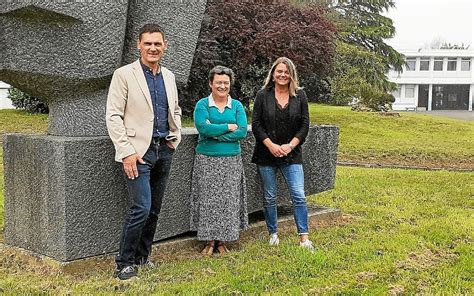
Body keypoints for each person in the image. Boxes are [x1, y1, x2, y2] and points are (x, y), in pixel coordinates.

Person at [106, 23, 182, 280]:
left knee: (155, 209)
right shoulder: (124, 74)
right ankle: (124, 263)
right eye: (148, 43)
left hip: (164, 150)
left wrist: (175, 137)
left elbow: (176, 110)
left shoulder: (169, 77)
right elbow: (113, 115)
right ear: (138, 45)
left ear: (165, 46)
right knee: (141, 207)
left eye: (157, 43)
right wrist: (126, 151)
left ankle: (142, 257)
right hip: (137, 153)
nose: (153, 48)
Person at [251, 57, 314, 250]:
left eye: (286, 72)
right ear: (273, 73)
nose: (283, 75)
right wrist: (270, 145)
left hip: (292, 154)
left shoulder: (300, 96)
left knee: (298, 194)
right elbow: (256, 124)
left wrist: (291, 145)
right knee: (270, 196)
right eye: (279, 71)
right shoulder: (263, 95)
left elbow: (304, 124)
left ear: (292, 74)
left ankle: (304, 238)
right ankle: (273, 234)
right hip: (266, 153)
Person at [190, 65, 248, 255]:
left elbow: (241, 131)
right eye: (218, 82)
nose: (222, 86)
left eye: (226, 82)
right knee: (207, 201)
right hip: (207, 160)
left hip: (231, 160)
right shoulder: (202, 105)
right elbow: (203, 128)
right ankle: (208, 241)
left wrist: (216, 135)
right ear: (210, 84)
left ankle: (222, 241)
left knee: (227, 201)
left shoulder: (237, 106)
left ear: (230, 84)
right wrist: (227, 126)